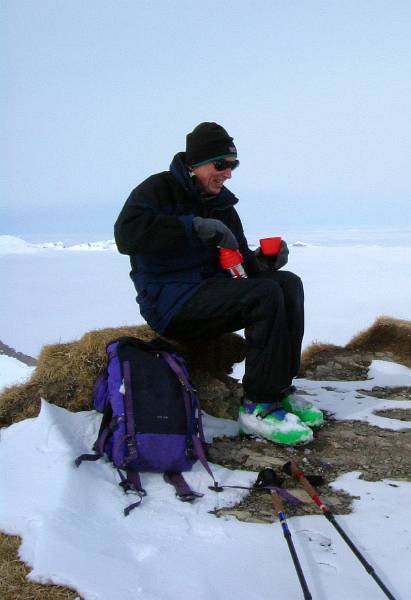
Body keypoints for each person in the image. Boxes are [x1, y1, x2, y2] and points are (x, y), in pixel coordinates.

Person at [114, 122, 322, 445]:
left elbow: (240, 268)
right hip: (171, 302)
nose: (228, 173)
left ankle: (279, 390)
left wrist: (264, 262)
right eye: (221, 165)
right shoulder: (158, 190)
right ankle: (258, 407)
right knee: (265, 294)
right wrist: (192, 226)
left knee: (286, 284)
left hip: (211, 294)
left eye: (233, 165)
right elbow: (126, 235)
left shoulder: (223, 206)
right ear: (195, 164)